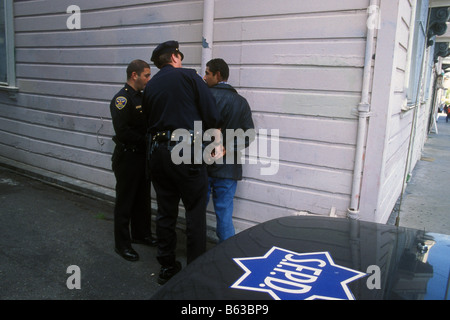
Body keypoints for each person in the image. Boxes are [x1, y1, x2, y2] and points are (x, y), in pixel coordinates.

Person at [142, 41, 222, 284]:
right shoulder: (189, 77)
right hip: (186, 151)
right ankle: (195, 270)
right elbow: (211, 115)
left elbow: (148, 120)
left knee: (166, 212)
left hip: (158, 153)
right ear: (175, 57)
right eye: (180, 56)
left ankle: (167, 267)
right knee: (195, 212)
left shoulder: (150, 85)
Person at [203, 58, 255, 243]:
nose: (204, 77)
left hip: (202, 165)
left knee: (197, 212)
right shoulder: (241, 102)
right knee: (224, 212)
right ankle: (227, 255)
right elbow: (249, 135)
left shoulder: (203, 98)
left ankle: (197, 253)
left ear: (217, 75)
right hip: (228, 168)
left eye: (207, 73)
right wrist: (227, 147)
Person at [110, 59, 156, 262]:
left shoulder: (142, 97)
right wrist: (147, 139)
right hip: (128, 156)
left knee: (142, 198)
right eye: (146, 75)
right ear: (134, 75)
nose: (149, 78)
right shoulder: (122, 99)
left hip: (141, 156)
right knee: (125, 201)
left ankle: (142, 234)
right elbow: (123, 131)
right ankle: (122, 244)